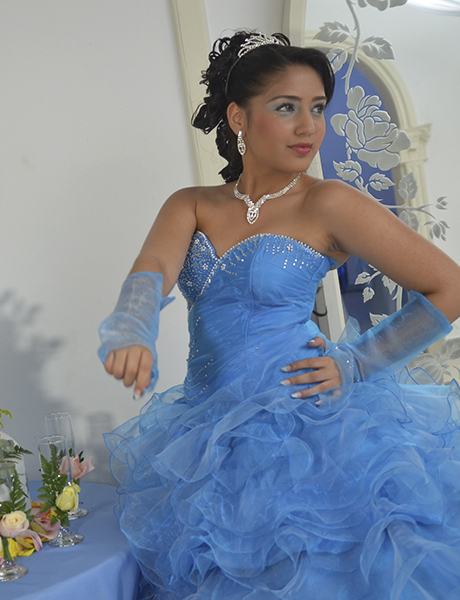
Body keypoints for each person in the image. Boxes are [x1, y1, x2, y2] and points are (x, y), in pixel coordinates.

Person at [99, 31, 460, 599]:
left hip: (302, 429)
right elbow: (153, 268)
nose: (308, 126)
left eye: (317, 108)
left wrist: (357, 362)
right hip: (207, 433)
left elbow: (449, 286)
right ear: (238, 117)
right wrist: (132, 327)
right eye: (286, 107)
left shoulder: (328, 202)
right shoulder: (192, 203)